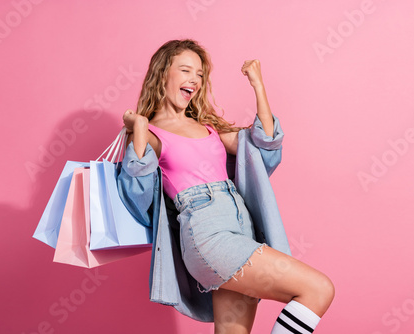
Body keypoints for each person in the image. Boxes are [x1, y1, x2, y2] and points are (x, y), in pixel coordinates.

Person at [120, 39, 334, 334]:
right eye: (185, 70)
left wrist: (258, 86)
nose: (194, 79)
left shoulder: (208, 128)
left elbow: (264, 144)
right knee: (317, 288)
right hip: (208, 236)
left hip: (241, 230)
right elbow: (136, 190)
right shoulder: (154, 135)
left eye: (199, 74)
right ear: (162, 74)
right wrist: (140, 126)